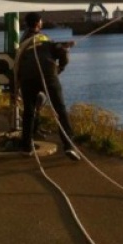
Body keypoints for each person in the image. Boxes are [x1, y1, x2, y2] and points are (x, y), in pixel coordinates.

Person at [16, 12, 80, 161]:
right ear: (39, 23)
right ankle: (69, 145)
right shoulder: (45, 38)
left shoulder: (23, 40)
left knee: (29, 111)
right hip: (48, 74)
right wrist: (60, 68)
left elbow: (19, 61)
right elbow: (61, 52)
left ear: (26, 24)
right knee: (60, 109)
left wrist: (16, 86)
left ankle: (26, 146)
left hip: (27, 77)